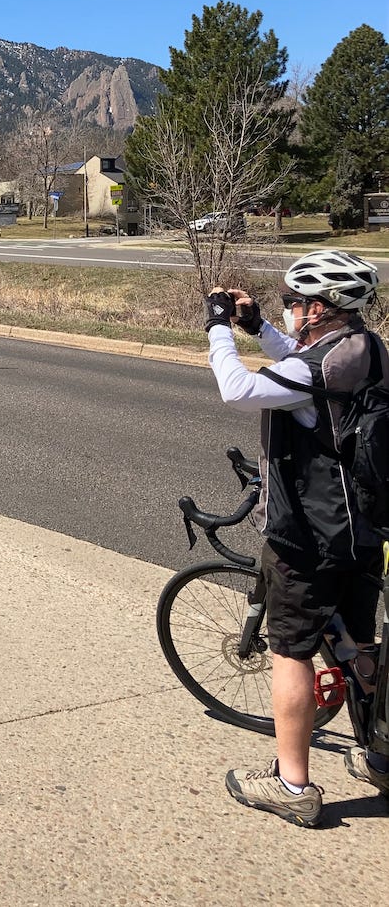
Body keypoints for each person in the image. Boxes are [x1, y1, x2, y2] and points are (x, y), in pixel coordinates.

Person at [204, 248, 386, 825]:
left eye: (291, 303)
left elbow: (237, 388)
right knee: (360, 644)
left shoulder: (314, 370)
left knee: (291, 651)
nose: (287, 311)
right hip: (363, 528)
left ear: (317, 308)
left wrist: (218, 330)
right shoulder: (369, 350)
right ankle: (380, 754)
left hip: (309, 533)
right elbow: (306, 369)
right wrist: (257, 326)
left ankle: (292, 784)